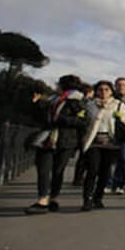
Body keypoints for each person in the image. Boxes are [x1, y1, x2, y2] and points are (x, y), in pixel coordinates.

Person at [25, 75, 87, 214]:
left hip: (66, 141)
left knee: (58, 171)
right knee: (43, 170)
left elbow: (82, 121)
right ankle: (42, 199)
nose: (56, 86)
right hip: (47, 138)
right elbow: (40, 118)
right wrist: (36, 104)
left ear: (65, 86)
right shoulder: (53, 100)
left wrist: (60, 119)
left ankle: (53, 197)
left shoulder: (77, 101)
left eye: (58, 84)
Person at [81, 80, 125, 211]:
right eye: (100, 89)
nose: (103, 92)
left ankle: (98, 198)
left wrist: (121, 117)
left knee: (105, 172)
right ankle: (87, 200)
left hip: (111, 143)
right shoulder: (90, 105)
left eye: (106, 89)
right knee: (92, 170)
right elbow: (83, 121)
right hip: (93, 141)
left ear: (111, 91)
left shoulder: (118, 105)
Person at [71, 83, 95, 187]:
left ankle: (78, 178)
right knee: (84, 157)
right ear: (89, 92)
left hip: (77, 132)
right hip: (85, 132)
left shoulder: (78, 101)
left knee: (81, 157)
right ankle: (79, 178)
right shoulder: (88, 103)